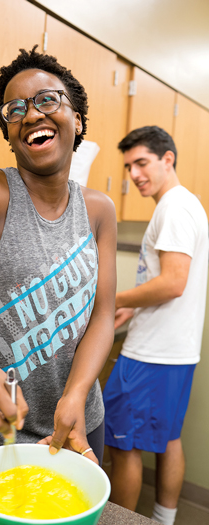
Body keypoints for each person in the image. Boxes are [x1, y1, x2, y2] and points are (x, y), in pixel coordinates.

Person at [0, 46, 117, 466]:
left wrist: (76, 393)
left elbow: (103, 314)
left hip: (76, 424)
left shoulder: (100, 210)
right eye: (14, 109)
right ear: (9, 132)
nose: (31, 115)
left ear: (78, 119)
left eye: (47, 100)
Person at [103, 126, 208, 524]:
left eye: (142, 163)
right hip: (176, 352)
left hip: (152, 355)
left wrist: (115, 300)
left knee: (124, 446)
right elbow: (167, 279)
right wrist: (134, 309)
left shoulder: (173, 208)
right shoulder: (188, 203)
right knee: (167, 440)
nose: (134, 174)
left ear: (168, 159)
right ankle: (163, 520)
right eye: (129, 166)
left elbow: (172, 283)